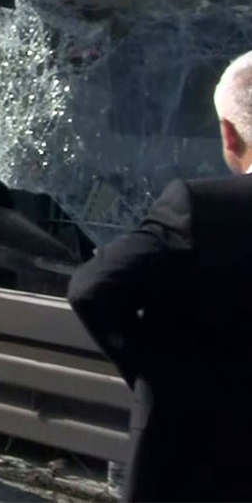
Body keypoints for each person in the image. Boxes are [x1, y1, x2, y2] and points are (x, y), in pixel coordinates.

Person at [67, 49, 252, 501]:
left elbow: (92, 287)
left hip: (190, 459)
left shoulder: (200, 210)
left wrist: (158, 374)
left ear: (229, 134)